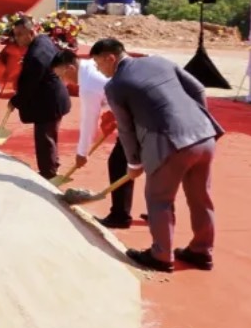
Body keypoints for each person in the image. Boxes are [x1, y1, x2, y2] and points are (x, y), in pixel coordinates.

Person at [90, 37, 225, 272]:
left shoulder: (116, 85)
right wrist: (196, 119)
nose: (99, 70)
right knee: (200, 197)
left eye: (98, 64)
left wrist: (133, 162)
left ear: (110, 58)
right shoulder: (159, 61)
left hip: (169, 143)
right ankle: (202, 251)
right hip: (204, 136)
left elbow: (126, 129)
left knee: (159, 199)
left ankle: (161, 255)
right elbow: (198, 88)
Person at [51, 48, 132, 228]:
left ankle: (120, 216)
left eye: (62, 76)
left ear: (70, 68)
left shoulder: (88, 85)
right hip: (129, 112)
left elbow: (89, 121)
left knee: (119, 163)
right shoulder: (88, 67)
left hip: (137, 118)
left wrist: (82, 153)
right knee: (145, 164)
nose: (64, 82)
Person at [8, 16, 71, 179]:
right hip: (52, 97)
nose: (17, 38)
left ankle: (48, 174)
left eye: (20, 34)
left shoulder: (36, 55)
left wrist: (15, 101)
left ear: (31, 33)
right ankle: (52, 166)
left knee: (45, 138)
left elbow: (30, 84)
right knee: (50, 135)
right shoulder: (43, 40)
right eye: (15, 34)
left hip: (48, 102)